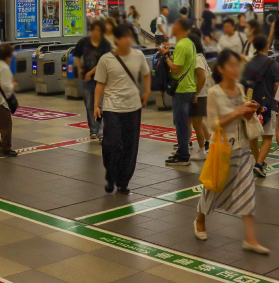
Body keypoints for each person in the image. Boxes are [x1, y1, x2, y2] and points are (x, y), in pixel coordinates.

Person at [194, 50, 268, 255]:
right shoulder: (214, 92)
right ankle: (200, 220)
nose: (236, 69)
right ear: (221, 69)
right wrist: (237, 112)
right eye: (232, 66)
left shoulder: (240, 88)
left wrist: (250, 111)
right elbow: (213, 124)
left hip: (242, 147)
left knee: (247, 192)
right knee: (213, 188)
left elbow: (243, 117)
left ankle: (250, 238)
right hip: (222, 148)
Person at [93, 25, 151, 193]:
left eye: (129, 36)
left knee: (129, 146)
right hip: (112, 107)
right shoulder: (106, 59)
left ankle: (123, 181)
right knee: (112, 143)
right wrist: (96, 105)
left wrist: (147, 91)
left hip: (133, 107)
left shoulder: (139, 56)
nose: (128, 40)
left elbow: (146, 74)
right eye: (125, 37)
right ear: (117, 39)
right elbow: (100, 83)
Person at [241, 35, 279, 177]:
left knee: (253, 135)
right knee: (267, 137)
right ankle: (259, 163)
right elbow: (277, 85)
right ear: (266, 46)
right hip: (267, 104)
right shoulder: (273, 63)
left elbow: (242, 84)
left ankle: (259, 161)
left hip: (250, 104)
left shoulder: (247, 63)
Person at [162, 18, 197, 166]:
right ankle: (182, 151)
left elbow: (176, 69)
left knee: (181, 122)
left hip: (181, 89)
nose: (172, 27)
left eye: (174, 25)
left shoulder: (182, 45)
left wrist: (165, 56)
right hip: (188, 86)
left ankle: (183, 155)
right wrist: (169, 54)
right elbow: (181, 64)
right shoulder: (190, 43)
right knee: (183, 121)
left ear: (180, 28)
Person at [73, 21, 112, 140]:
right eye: (94, 29)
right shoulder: (83, 42)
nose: (95, 32)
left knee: (101, 104)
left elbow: (102, 62)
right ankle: (93, 129)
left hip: (101, 78)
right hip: (87, 79)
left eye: (98, 30)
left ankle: (102, 130)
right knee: (89, 104)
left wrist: (90, 73)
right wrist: (79, 69)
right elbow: (77, 56)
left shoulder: (105, 44)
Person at [188, 33, 212, 160]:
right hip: (201, 94)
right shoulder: (199, 57)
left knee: (196, 124)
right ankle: (208, 142)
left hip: (200, 95)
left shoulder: (197, 59)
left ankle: (202, 150)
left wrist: (196, 94)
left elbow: (202, 77)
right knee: (198, 121)